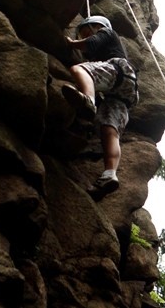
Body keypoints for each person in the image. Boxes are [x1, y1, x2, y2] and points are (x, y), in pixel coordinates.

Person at [63, 15, 139, 200]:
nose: (87, 34)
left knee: (80, 69)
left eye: (89, 30)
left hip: (117, 70)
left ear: (100, 26)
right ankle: (109, 173)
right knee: (109, 131)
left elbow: (90, 43)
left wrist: (71, 42)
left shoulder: (108, 33)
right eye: (83, 32)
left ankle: (88, 99)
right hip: (124, 94)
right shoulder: (102, 49)